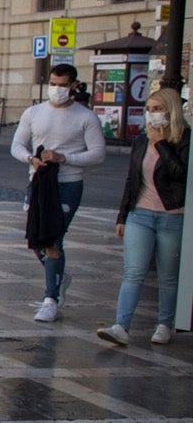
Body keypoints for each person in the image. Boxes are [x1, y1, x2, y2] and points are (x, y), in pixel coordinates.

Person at [11, 63, 107, 322]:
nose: (57, 89)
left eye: (63, 85)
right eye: (53, 84)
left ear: (73, 86)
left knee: (53, 239)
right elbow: (17, 145)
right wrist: (31, 158)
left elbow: (98, 153)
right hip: (38, 183)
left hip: (67, 185)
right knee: (35, 239)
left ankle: (50, 298)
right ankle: (59, 276)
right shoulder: (34, 112)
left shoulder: (86, 117)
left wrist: (64, 157)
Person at [98, 87, 188, 346]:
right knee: (133, 272)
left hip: (172, 216)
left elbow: (180, 173)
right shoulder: (140, 140)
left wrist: (161, 142)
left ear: (171, 111)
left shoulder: (185, 140)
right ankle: (121, 326)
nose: (152, 115)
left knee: (168, 276)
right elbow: (132, 180)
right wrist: (122, 215)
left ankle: (164, 324)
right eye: (148, 109)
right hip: (140, 215)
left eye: (158, 109)